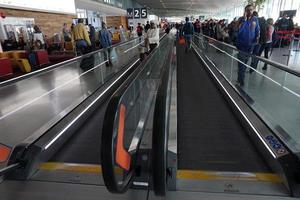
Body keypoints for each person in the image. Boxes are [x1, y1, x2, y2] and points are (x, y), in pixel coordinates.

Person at [236, 4, 260, 86]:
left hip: (250, 45)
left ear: (253, 10)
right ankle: (241, 80)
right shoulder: (241, 19)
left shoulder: (255, 19)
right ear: (245, 11)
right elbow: (238, 31)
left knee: (245, 63)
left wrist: (257, 37)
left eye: (251, 9)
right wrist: (244, 20)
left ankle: (240, 78)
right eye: (248, 10)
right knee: (241, 64)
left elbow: (257, 30)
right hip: (241, 45)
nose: (249, 11)